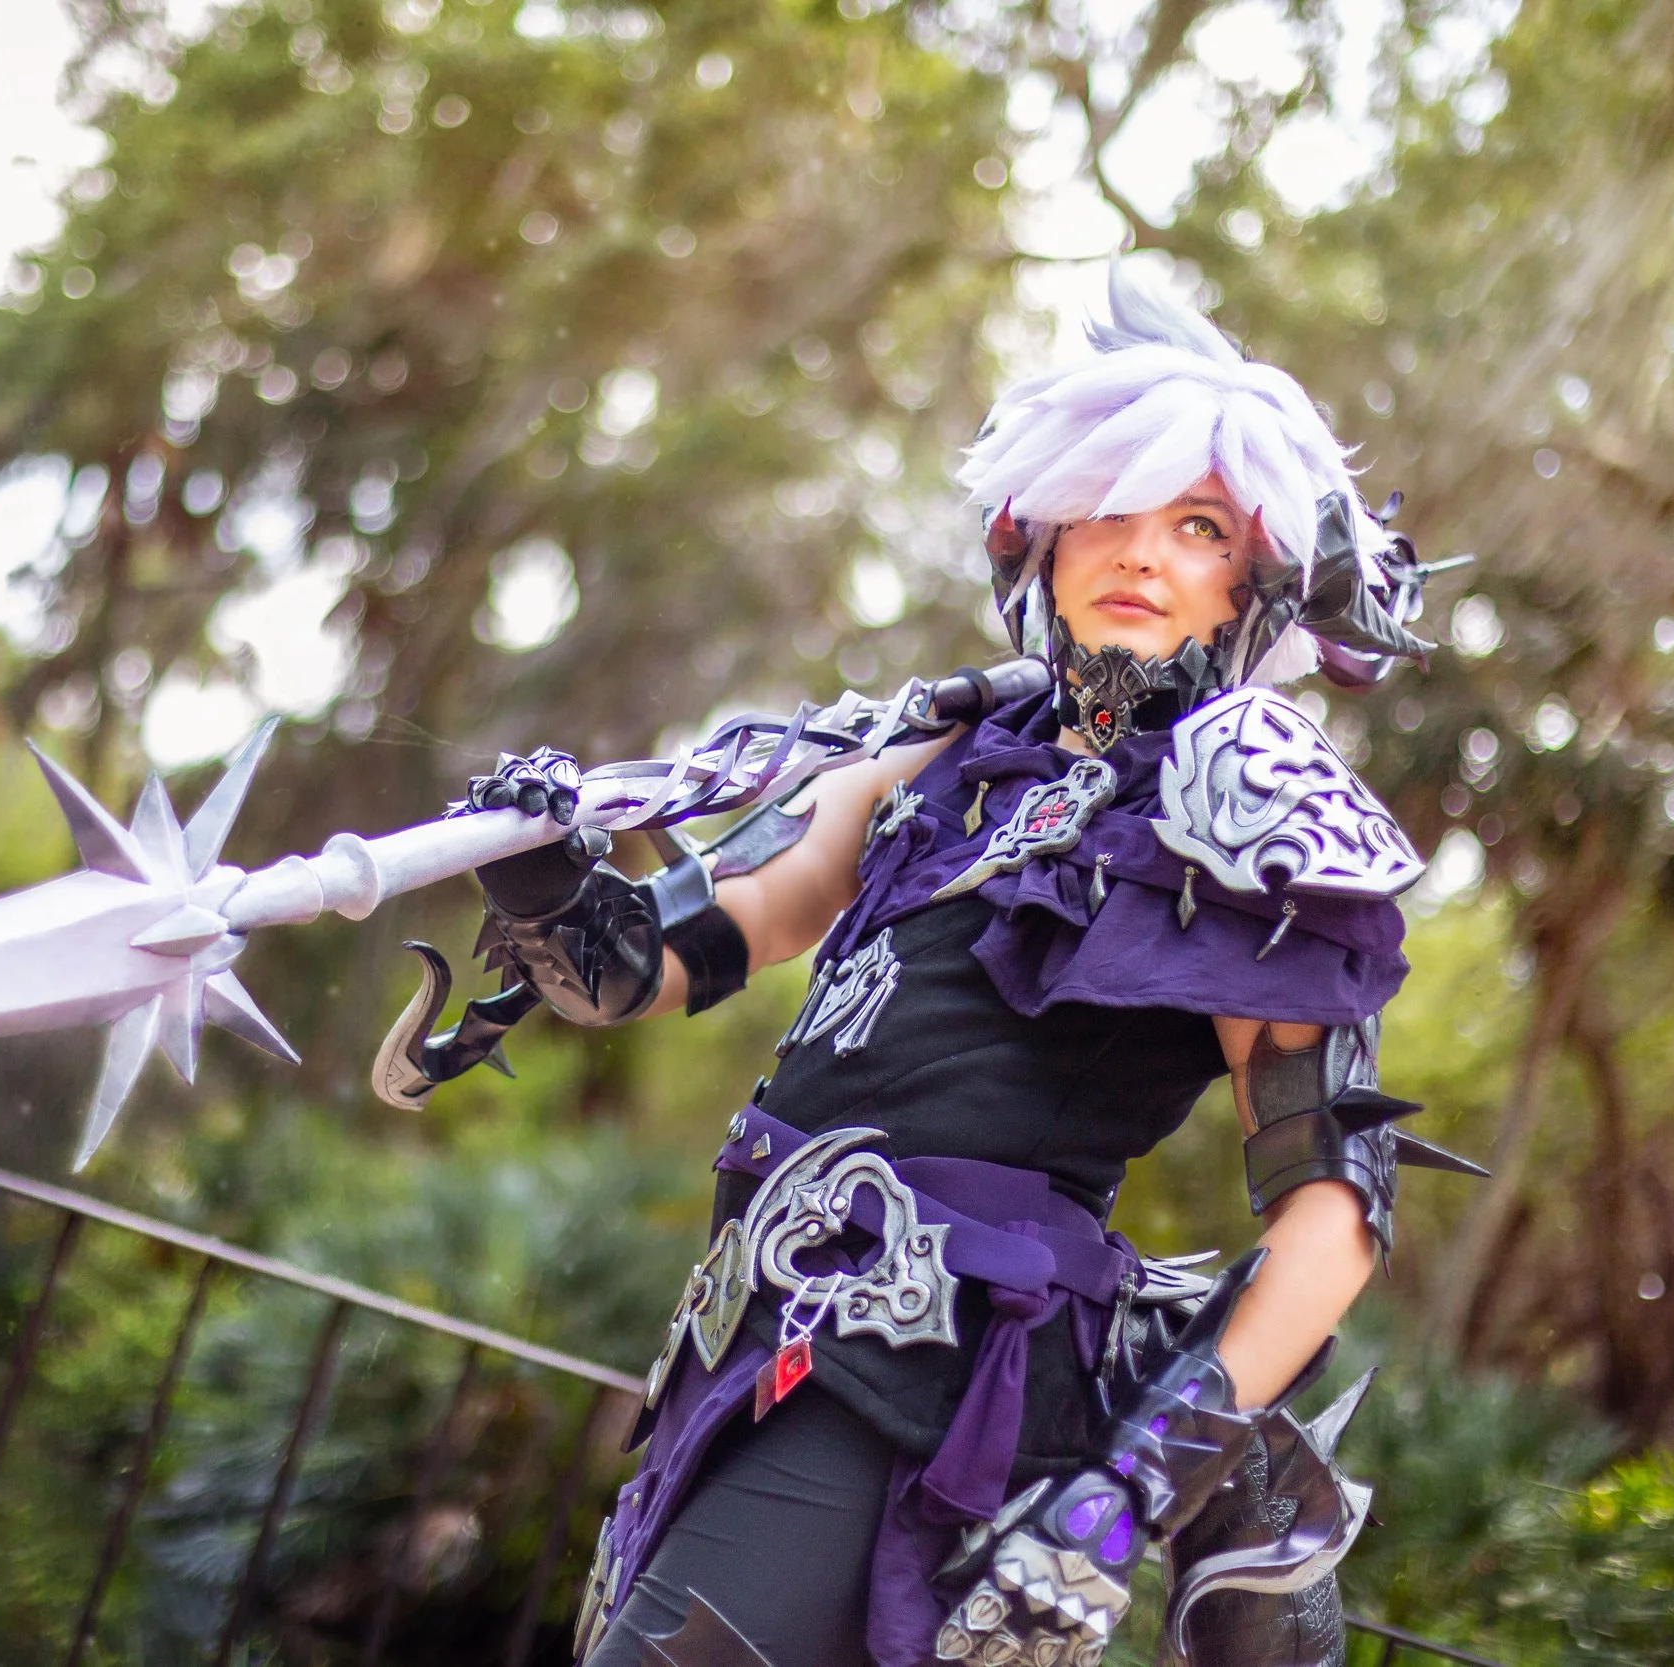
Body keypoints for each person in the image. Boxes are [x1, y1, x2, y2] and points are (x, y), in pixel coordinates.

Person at [446, 264, 1480, 1667]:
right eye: (1108, 509)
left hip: (949, 1376)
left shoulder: (1250, 797)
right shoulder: (938, 754)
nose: (1141, 552)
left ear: (1252, 581)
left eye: (1196, 527)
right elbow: (655, 963)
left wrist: (1125, 1497)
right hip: (759, 1324)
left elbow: (1335, 1211)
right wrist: (543, 875)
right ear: (1040, 538)